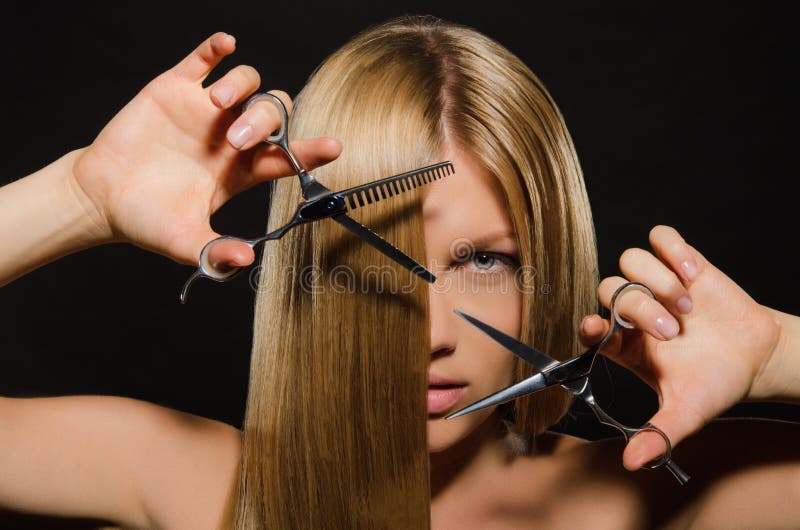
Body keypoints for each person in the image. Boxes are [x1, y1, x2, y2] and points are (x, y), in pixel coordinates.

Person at [0, 16, 798, 529]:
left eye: (485, 260)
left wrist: (776, 355)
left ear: (548, 266)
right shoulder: (187, 483)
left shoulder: (658, 503)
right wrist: (78, 196)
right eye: (368, 261)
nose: (437, 334)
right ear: (305, 281)